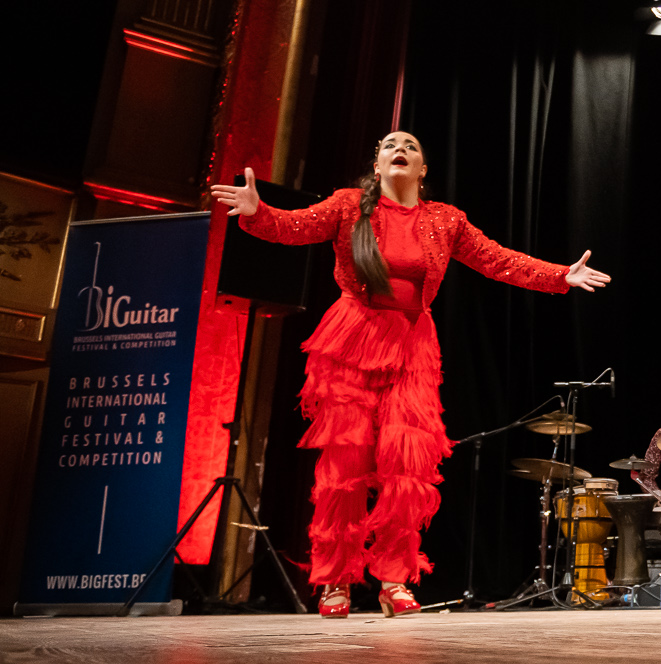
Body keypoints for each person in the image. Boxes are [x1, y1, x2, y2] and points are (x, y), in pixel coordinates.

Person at [210, 131, 612, 618]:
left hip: (413, 346)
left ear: (422, 169)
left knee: (407, 467)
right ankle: (335, 581)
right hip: (351, 339)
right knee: (346, 464)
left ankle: (394, 581)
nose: (399, 147)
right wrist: (258, 212)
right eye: (387, 145)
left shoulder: (445, 219)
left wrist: (558, 275)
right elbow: (295, 226)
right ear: (377, 165)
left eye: (411, 145)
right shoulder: (348, 206)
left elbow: (497, 260)